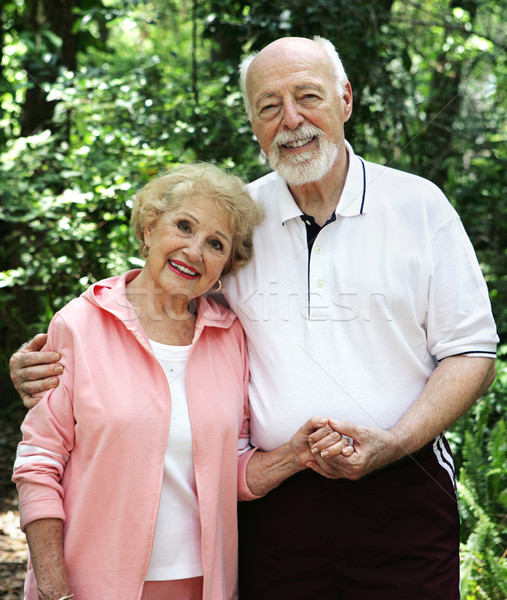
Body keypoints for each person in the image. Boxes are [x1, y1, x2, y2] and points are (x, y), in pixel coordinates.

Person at [11, 37, 498, 600]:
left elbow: (472, 353)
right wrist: (56, 359)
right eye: (269, 106)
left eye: (308, 96)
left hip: (402, 491)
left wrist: (392, 442)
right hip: (272, 504)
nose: (291, 120)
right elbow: (160, 296)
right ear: (253, 124)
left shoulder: (420, 206)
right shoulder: (238, 218)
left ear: (345, 99)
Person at [12, 162, 327, 600]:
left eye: (215, 243)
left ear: (224, 267)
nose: (194, 251)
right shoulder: (79, 324)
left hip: (203, 585)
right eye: (184, 226)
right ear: (148, 228)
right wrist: (53, 588)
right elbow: (39, 463)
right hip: (90, 585)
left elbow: (225, 469)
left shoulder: (229, 336)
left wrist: (294, 455)